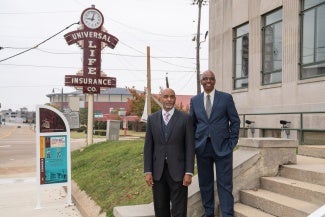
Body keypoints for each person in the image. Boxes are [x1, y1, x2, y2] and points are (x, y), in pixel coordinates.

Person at [190, 70, 240, 217]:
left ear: (215, 81)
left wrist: (232, 142)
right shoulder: (195, 101)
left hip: (223, 148)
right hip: (202, 148)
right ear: (201, 81)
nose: (208, 81)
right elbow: (192, 125)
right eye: (205, 79)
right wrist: (194, 143)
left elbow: (235, 121)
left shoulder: (225, 98)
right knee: (205, 184)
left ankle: (227, 214)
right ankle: (209, 212)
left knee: (225, 185)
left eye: (211, 79)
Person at [144, 88, 195, 217]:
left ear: (175, 99)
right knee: (160, 209)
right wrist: (148, 171)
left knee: (179, 210)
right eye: (166, 96)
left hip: (179, 173)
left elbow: (190, 147)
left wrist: (188, 172)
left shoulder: (185, 118)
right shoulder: (152, 119)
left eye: (172, 97)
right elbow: (148, 147)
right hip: (158, 173)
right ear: (161, 98)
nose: (169, 99)